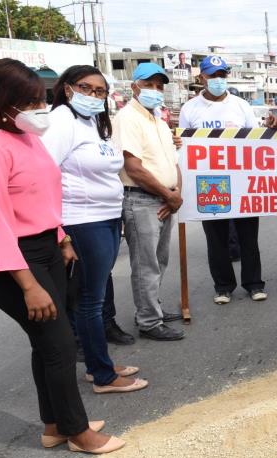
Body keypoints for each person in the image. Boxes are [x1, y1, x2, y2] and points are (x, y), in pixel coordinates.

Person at [0, 58, 124, 454]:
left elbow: (46, 192)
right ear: (4, 103)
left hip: (47, 245)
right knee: (61, 343)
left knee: (47, 342)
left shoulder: (28, 138)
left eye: (40, 100)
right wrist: (29, 285)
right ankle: (77, 431)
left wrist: (61, 237)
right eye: (29, 102)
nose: (39, 110)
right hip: (16, 260)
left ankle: (53, 425)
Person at [41, 65, 148, 393]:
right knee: (90, 299)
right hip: (83, 220)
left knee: (94, 296)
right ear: (68, 88)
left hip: (105, 218)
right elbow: (45, 173)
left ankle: (97, 363)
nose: (92, 96)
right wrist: (61, 233)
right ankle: (103, 375)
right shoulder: (61, 120)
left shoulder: (93, 122)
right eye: (85, 88)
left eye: (99, 91)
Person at [178, 55, 277, 305]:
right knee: (216, 239)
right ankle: (223, 286)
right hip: (208, 183)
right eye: (213, 75)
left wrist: (271, 129)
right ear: (202, 78)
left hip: (241, 181)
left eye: (222, 75)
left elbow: (254, 142)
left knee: (248, 237)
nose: (218, 80)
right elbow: (183, 146)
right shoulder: (190, 109)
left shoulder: (240, 105)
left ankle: (254, 284)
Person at [112, 62, 184, 342]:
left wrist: (175, 192)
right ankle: (149, 321)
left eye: (159, 86)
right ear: (134, 87)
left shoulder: (159, 121)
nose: (155, 90)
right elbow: (134, 168)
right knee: (146, 264)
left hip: (163, 199)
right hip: (142, 200)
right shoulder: (128, 117)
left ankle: (151, 309)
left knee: (159, 261)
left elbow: (172, 162)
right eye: (148, 85)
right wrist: (169, 195)